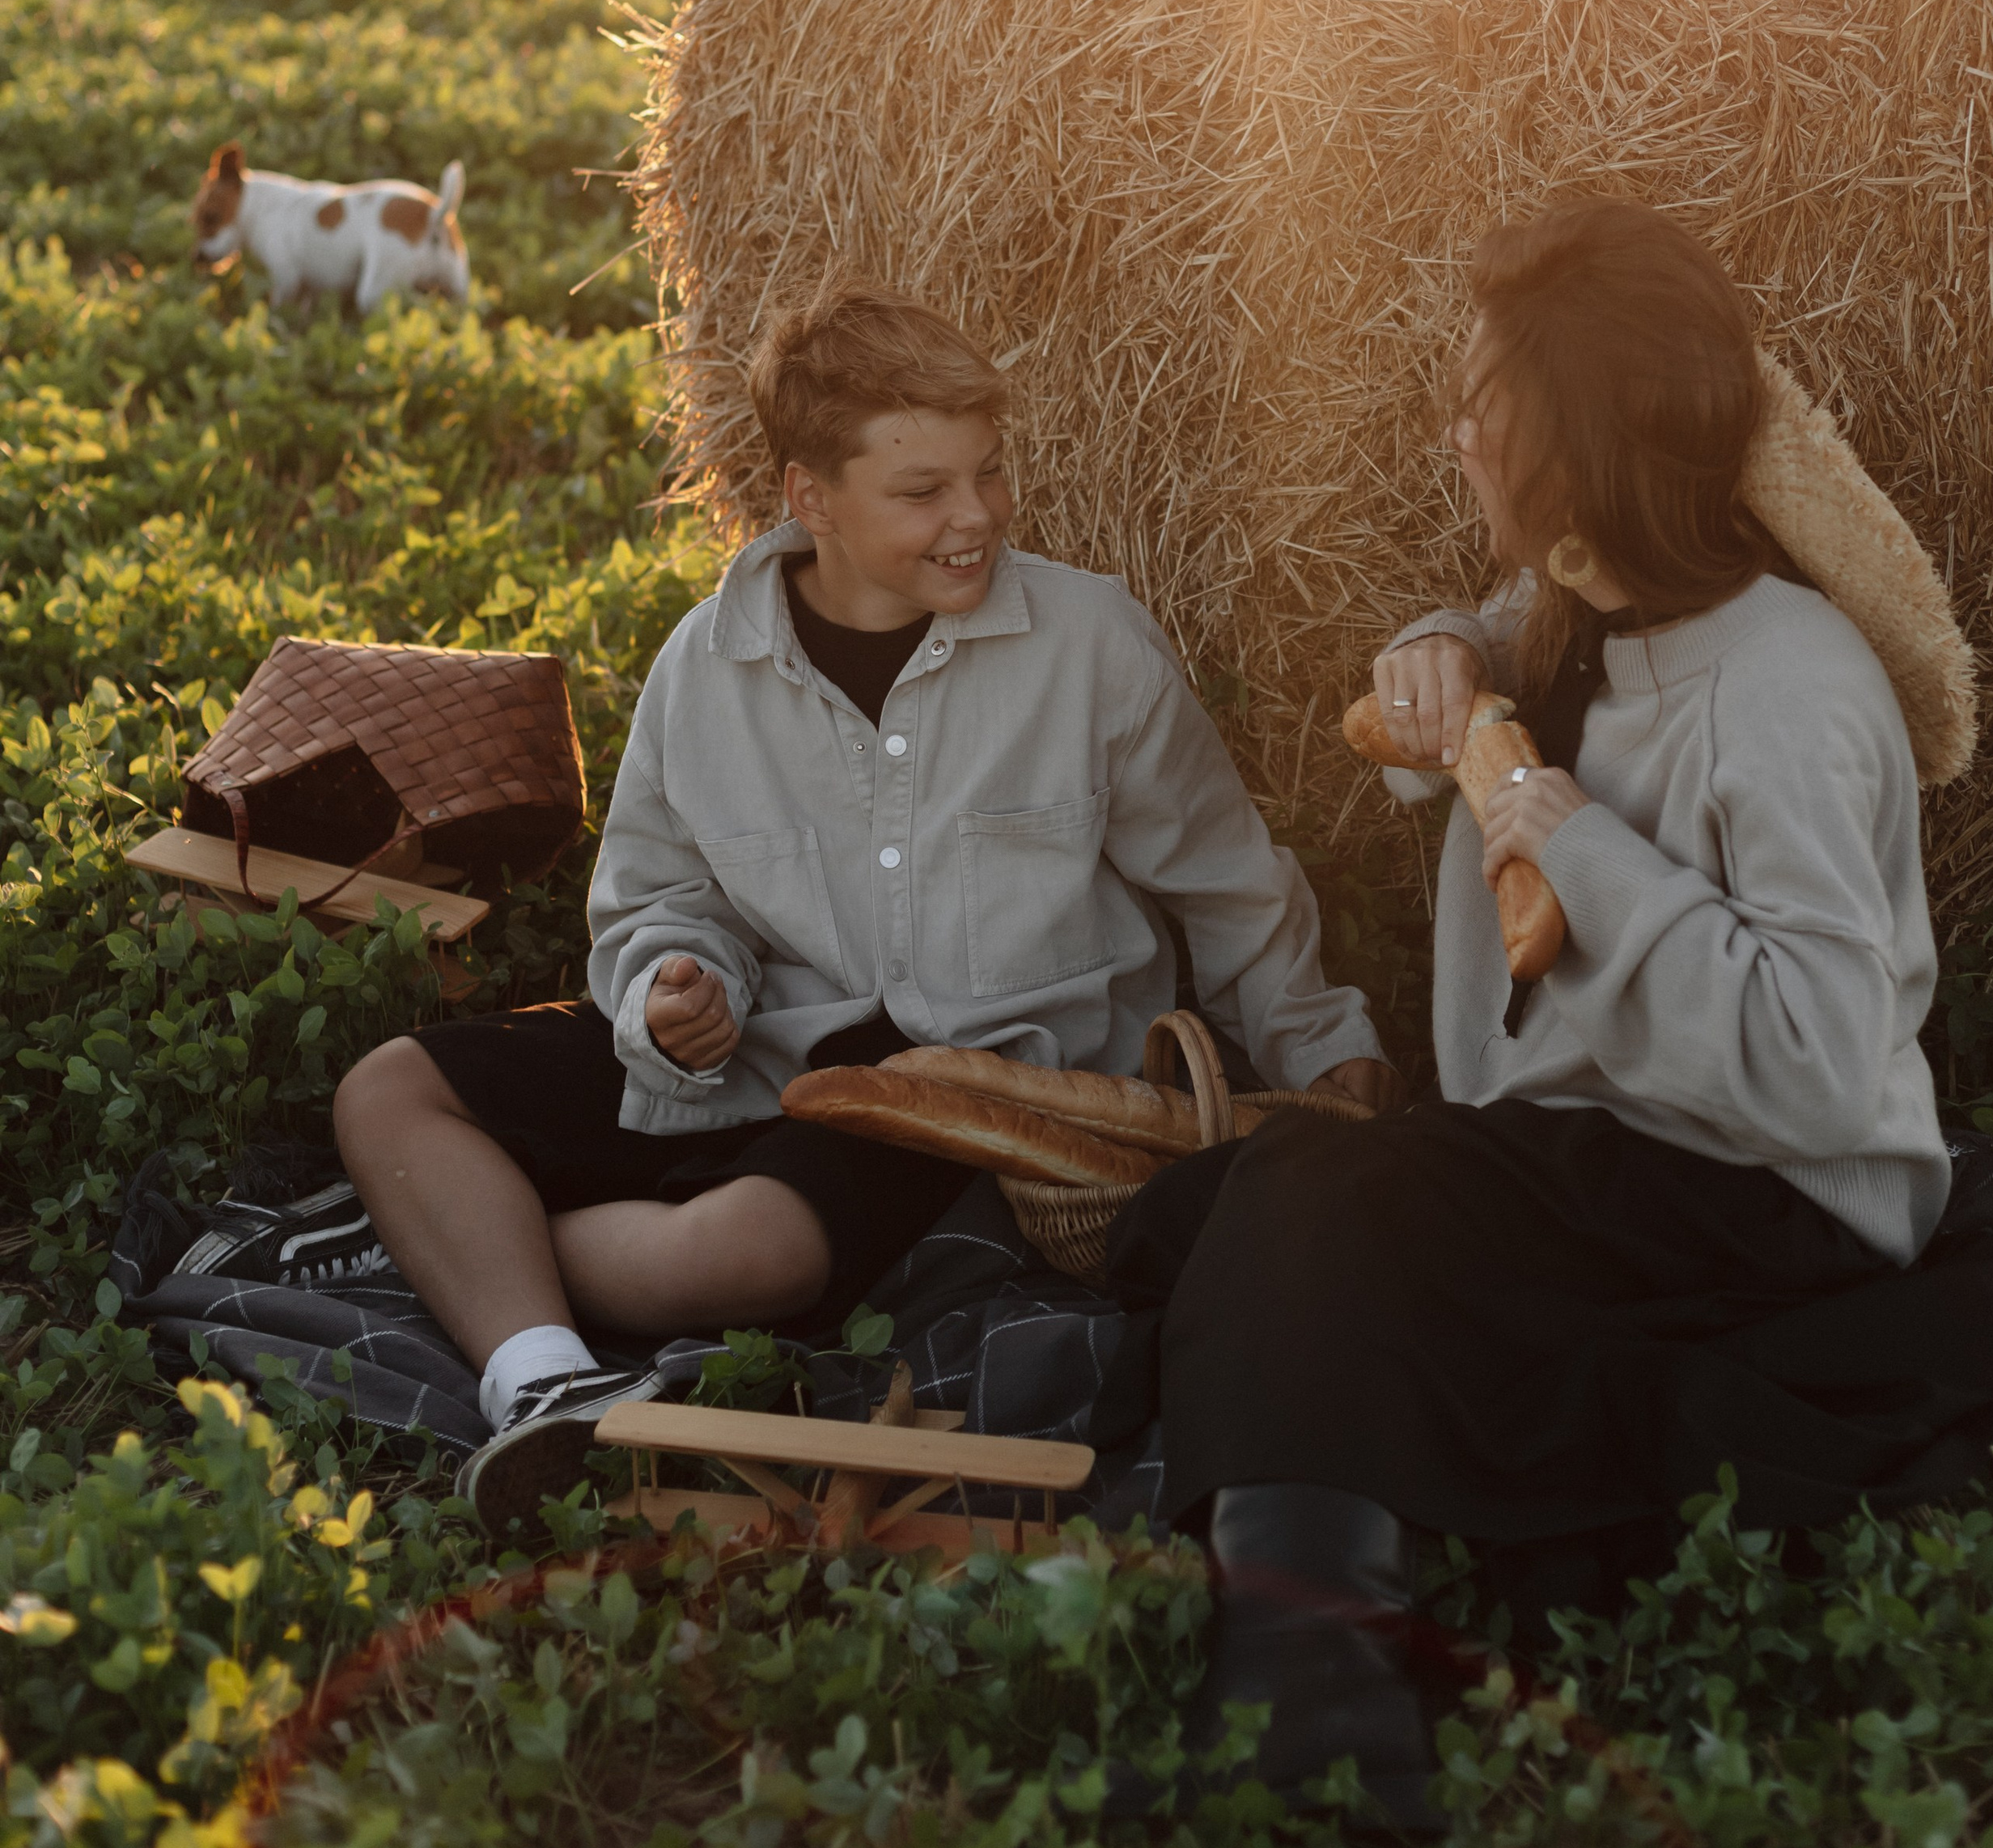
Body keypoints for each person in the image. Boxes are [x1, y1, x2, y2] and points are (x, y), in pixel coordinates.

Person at [1104, 201, 1993, 1829]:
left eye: (1484, 420)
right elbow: (1524, 640)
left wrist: (1576, 846)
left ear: (1581, 502)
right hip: (1593, 1157)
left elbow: (1818, 1063)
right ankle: (1423, 1482)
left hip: (1758, 1185)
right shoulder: (1578, 608)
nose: (1453, 437)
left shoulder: (1792, 696)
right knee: (1201, 1222)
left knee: (1312, 1206)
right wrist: (1438, 655)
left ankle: (1313, 1694)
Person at [312, 282, 1389, 1529]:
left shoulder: (1091, 648)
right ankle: (544, 1386)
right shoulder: (702, 671)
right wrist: (673, 984)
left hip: (958, 1086)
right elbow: (660, 893)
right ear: (807, 498)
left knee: (734, 1260)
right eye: (923, 491)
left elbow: (1230, 882)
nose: (975, 516)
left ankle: (459, 1251)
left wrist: (1334, 1069)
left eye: (988, 474)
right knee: (388, 1087)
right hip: (762, 1044)